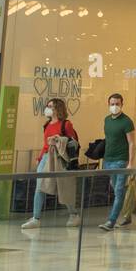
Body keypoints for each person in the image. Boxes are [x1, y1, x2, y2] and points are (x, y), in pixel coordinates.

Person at [21, 98, 82, 230]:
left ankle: (73, 214)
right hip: (47, 158)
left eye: (50, 106)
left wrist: (58, 139)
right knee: (40, 186)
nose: (47, 108)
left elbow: (73, 142)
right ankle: (36, 217)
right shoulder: (47, 125)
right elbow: (45, 144)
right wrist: (40, 157)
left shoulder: (66, 124)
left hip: (60, 158)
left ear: (57, 109)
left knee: (63, 186)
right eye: (47, 106)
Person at [97, 93, 136, 232]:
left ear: (122, 104)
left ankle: (111, 221)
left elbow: (131, 143)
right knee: (116, 188)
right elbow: (109, 138)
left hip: (121, 160)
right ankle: (127, 213)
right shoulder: (107, 120)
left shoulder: (127, 122)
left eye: (117, 104)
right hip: (108, 159)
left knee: (119, 190)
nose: (114, 106)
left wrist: (131, 163)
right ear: (108, 105)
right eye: (112, 104)